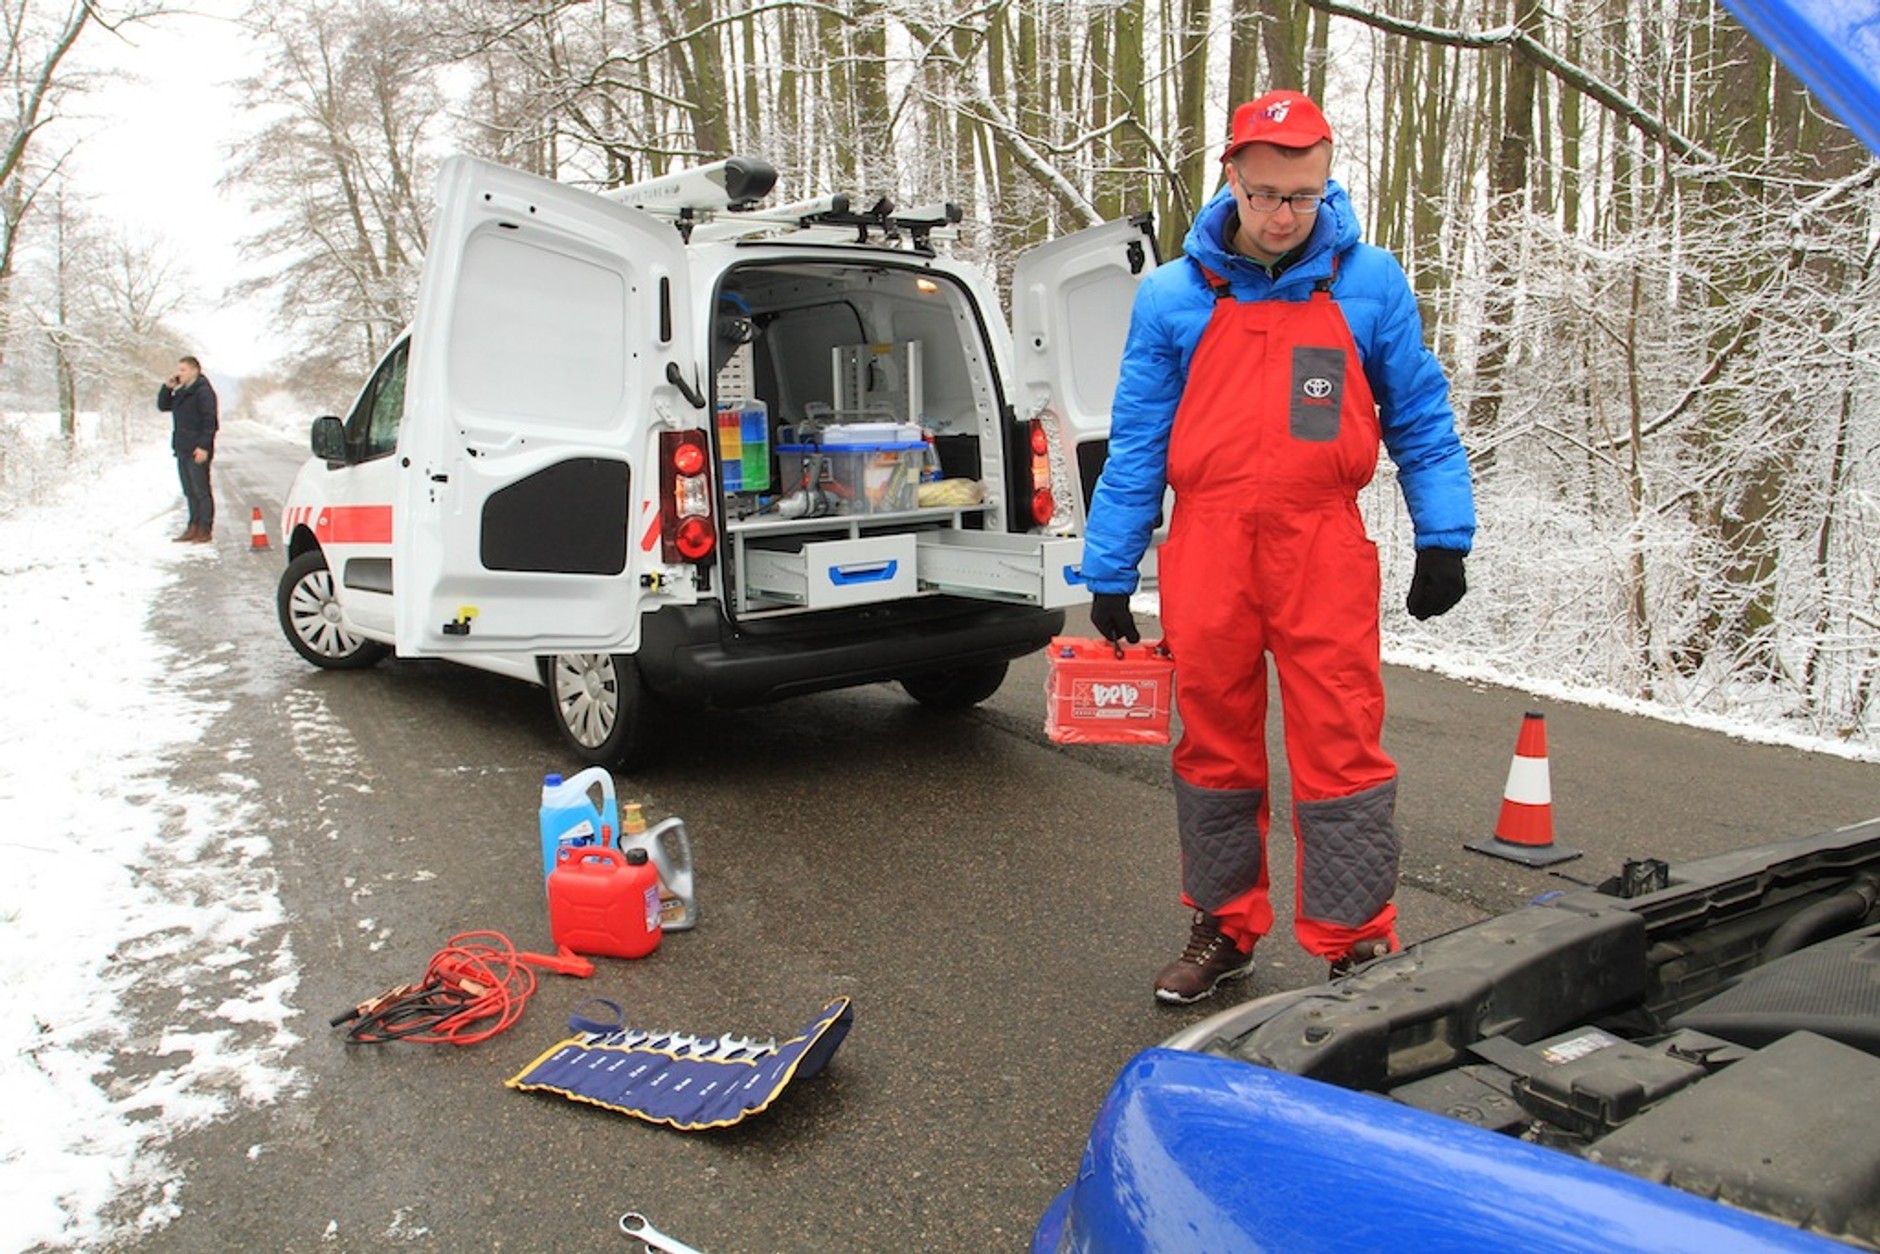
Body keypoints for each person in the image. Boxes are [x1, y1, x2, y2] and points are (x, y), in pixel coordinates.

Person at [1080, 90, 1477, 1005]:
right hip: (1208, 546)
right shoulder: (1173, 294)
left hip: (1321, 543)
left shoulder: (1369, 282)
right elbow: (1138, 440)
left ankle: (1357, 943)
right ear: (1232, 179)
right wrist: (1109, 567)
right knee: (1213, 746)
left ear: (1326, 184)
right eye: (1264, 195)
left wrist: (1444, 536)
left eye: (1301, 196)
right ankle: (1225, 928)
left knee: (1343, 744)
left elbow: (1420, 416)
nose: (1282, 216)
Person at [158, 355, 219, 543]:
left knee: (201, 490)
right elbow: (163, 406)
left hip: (197, 449)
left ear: (195, 370)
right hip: (182, 447)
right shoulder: (182, 392)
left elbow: (210, 422)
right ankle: (193, 526)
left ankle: (204, 528)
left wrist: (203, 446)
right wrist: (167, 388)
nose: (180, 373)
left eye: (183, 370)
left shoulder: (203, 392)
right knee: (189, 491)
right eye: (179, 369)